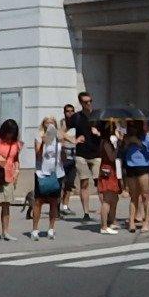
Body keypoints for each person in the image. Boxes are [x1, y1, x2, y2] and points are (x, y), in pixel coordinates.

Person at [29, 115, 68, 240]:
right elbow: (38, 155)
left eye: (52, 123)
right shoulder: (39, 136)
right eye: (47, 123)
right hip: (42, 172)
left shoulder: (58, 138)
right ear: (43, 124)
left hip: (57, 172)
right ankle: (35, 229)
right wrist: (44, 140)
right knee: (38, 202)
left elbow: (64, 158)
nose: (49, 125)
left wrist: (63, 146)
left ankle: (51, 228)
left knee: (54, 201)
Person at [69, 92, 102, 220]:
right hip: (81, 154)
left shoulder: (98, 116)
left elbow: (106, 134)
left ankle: (104, 209)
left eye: (90, 101)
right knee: (84, 183)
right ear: (81, 103)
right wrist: (73, 140)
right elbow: (62, 131)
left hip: (96, 153)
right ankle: (86, 213)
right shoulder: (77, 117)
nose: (89, 104)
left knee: (99, 182)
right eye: (86, 102)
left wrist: (98, 133)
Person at [0, 119, 24, 242]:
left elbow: (16, 159)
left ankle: (5, 232)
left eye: (13, 132)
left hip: (9, 175)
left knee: (6, 205)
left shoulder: (16, 143)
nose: (10, 135)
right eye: (9, 132)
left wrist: (17, 171)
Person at [121, 119, 149, 235]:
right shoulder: (127, 136)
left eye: (135, 125)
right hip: (131, 166)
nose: (132, 127)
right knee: (134, 196)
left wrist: (138, 142)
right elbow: (122, 151)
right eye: (130, 125)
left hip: (143, 166)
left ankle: (146, 222)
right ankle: (131, 221)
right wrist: (126, 142)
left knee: (145, 195)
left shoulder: (146, 135)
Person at [95, 117, 123, 234]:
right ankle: (104, 226)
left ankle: (111, 221)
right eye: (113, 126)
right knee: (107, 199)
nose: (115, 128)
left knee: (114, 198)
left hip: (113, 170)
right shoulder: (105, 142)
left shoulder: (109, 141)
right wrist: (118, 145)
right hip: (108, 171)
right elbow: (111, 157)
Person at [59, 103, 80, 200]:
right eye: (68, 111)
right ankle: (58, 205)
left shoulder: (77, 123)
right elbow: (60, 137)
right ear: (64, 112)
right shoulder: (62, 123)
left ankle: (65, 206)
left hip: (75, 156)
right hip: (64, 156)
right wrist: (71, 139)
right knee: (61, 182)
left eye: (72, 111)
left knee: (70, 183)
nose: (70, 113)